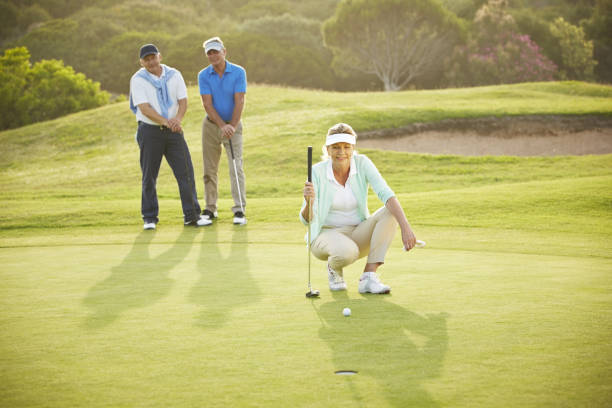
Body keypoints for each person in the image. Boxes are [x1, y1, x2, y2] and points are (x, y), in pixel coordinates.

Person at [300, 123, 417, 294]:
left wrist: (405, 227)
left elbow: (386, 193)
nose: (341, 152)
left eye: (346, 147)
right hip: (324, 236)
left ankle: (368, 277)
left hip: (357, 232)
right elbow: (306, 220)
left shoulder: (362, 164)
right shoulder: (317, 172)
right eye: (336, 147)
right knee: (347, 252)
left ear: (353, 147)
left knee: (390, 212)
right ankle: (334, 268)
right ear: (328, 149)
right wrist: (309, 202)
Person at [129, 43, 211, 230]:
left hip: (174, 131)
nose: (151, 62)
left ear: (160, 56)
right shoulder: (137, 79)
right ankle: (149, 218)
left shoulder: (175, 74)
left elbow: (183, 101)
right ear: (141, 62)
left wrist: (177, 120)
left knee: (186, 173)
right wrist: (167, 122)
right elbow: (144, 108)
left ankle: (192, 216)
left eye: (153, 57)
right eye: (146, 59)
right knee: (149, 175)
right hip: (149, 131)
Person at [198, 36, 248, 225]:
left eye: (215, 52)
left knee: (236, 168)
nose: (212, 56)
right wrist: (222, 126)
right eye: (209, 53)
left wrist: (232, 126)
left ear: (224, 52)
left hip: (233, 124)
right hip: (211, 125)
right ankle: (210, 209)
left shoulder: (238, 72)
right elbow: (207, 104)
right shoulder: (203, 75)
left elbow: (240, 100)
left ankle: (239, 210)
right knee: (209, 169)